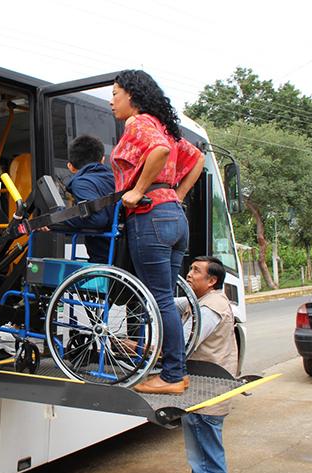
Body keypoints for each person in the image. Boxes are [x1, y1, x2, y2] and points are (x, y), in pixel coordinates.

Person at [108, 69, 204, 394]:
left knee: (160, 298)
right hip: (175, 218)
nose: (112, 102)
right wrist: (177, 195)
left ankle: (173, 376)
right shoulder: (164, 125)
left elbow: (159, 150)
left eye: (115, 94)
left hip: (151, 216)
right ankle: (173, 366)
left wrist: (138, 190)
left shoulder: (139, 122)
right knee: (165, 296)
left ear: (131, 97)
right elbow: (199, 158)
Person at [179, 256, 238, 473]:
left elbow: (183, 343)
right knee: (207, 460)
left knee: (204, 462)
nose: (189, 274)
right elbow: (174, 303)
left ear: (212, 280)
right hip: (208, 392)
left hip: (205, 397)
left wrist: (143, 348)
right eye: (190, 268)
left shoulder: (210, 308)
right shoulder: (207, 299)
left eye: (196, 271)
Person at [51, 134, 116, 264]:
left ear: (70, 166)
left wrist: (58, 218)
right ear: (102, 160)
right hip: (121, 252)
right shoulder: (115, 178)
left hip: (104, 258)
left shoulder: (82, 183)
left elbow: (97, 219)